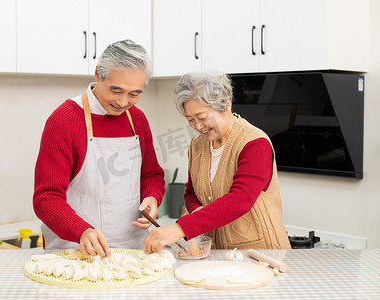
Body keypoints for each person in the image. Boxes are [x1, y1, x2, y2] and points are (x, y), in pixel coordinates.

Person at [33, 40, 165, 257]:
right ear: (97, 75)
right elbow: (46, 197)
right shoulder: (64, 120)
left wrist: (152, 197)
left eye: (134, 94)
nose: (123, 102)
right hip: (74, 250)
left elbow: (152, 175)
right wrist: (82, 231)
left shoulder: (137, 120)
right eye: (116, 90)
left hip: (132, 250)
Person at [144, 70, 291, 253]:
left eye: (203, 118)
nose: (197, 126)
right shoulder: (197, 145)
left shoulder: (255, 143)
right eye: (190, 120)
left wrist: (182, 227)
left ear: (226, 105)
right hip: (219, 255)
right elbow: (190, 193)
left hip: (262, 254)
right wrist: (198, 214)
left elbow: (240, 199)